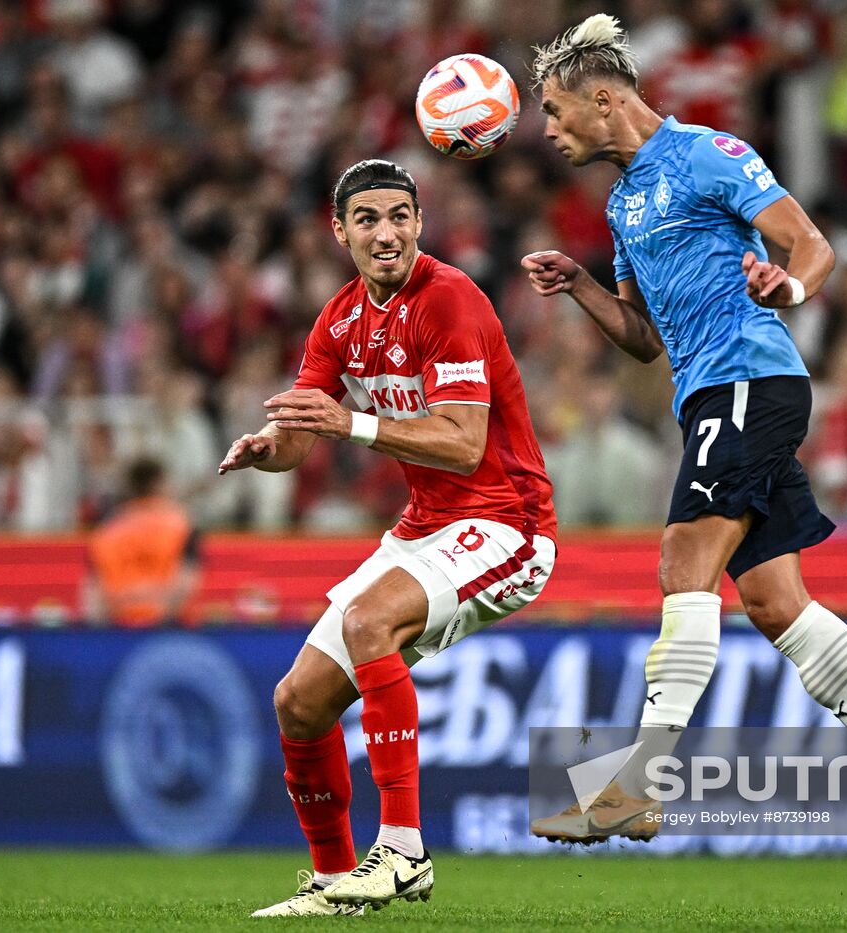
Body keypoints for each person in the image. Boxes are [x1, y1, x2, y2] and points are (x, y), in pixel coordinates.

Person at [521, 14, 847, 881]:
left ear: (605, 100)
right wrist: (578, 288)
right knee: (772, 600)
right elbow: (644, 337)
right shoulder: (621, 202)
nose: (546, 128)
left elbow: (811, 245)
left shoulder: (707, 154)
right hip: (708, 397)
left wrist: (787, 283)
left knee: (684, 563)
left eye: (555, 110)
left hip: (752, 381)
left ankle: (639, 781)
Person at [219, 159, 557, 915]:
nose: (386, 232)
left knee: (370, 621)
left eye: (400, 215)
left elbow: (466, 444)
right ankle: (337, 879)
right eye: (367, 218)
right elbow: (304, 430)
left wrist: (354, 423)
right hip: (427, 527)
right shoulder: (339, 317)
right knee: (298, 702)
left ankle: (402, 852)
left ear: (419, 224)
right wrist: (268, 448)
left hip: (507, 522)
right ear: (338, 231)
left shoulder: (451, 298)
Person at [83, 456, 201, 626]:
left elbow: (94, 591)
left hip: (117, 626)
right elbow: (186, 580)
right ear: (159, 482)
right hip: (163, 629)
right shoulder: (181, 525)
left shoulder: (106, 530)